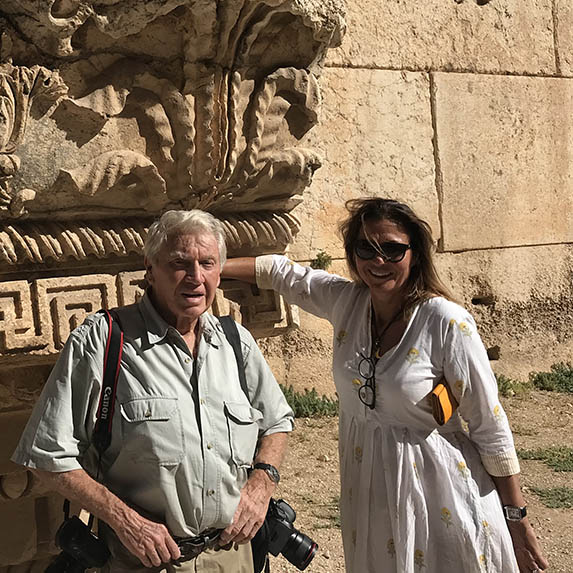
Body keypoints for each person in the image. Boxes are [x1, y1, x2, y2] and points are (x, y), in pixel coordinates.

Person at [222, 198, 549, 573]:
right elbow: (284, 274)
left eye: (393, 249)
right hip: (370, 496)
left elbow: (491, 428)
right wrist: (208, 270)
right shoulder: (348, 302)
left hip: (440, 497)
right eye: (366, 248)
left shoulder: (445, 322)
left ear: (415, 254)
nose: (378, 261)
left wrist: (517, 519)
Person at [12, 209, 294, 572]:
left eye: (207, 263)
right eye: (180, 263)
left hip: (234, 558)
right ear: (150, 268)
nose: (195, 277)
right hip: (142, 560)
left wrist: (261, 485)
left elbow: (277, 421)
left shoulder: (236, 342)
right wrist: (126, 521)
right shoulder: (105, 340)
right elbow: (48, 454)